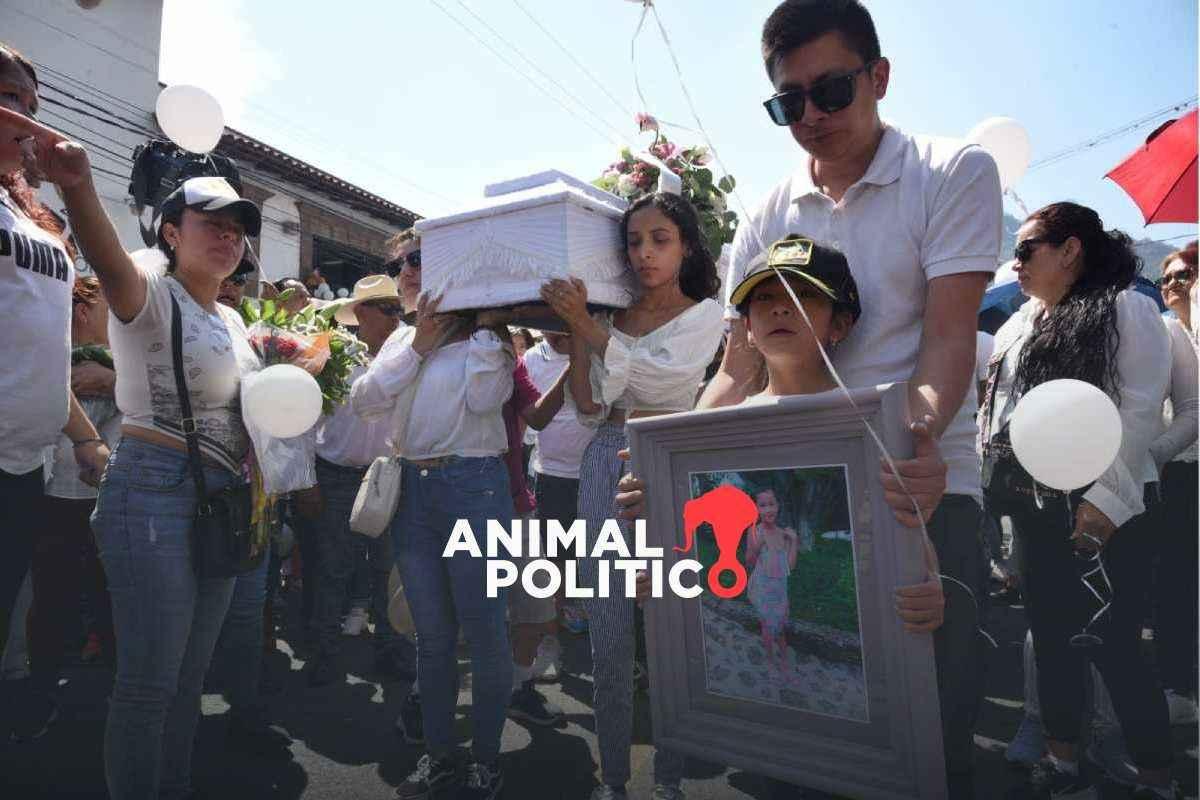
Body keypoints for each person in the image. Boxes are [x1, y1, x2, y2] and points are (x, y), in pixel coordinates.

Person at [697, 3, 1000, 789]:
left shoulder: (951, 169)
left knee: (927, 723)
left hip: (922, 485)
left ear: (879, 76)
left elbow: (945, 338)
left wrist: (917, 439)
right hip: (795, 485)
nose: (812, 116)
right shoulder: (764, 212)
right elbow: (736, 371)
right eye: (787, 103)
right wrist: (667, 463)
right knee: (795, 722)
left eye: (831, 90)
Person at [615, 237, 947, 794]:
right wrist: (655, 558)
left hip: (866, 727)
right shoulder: (706, 436)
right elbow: (684, 552)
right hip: (751, 730)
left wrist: (930, 587)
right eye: (760, 298)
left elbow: (907, 533)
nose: (776, 307)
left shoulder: (875, 427)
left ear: (839, 324)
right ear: (744, 326)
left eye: (800, 296)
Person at [6, 93, 268, 796]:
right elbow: (101, 252)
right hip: (151, 489)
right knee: (149, 684)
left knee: (187, 681)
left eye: (237, 227)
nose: (227, 237)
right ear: (171, 233)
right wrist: (79, 185)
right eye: (208, 223)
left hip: (220, 494)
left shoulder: (238, 325)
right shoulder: (149, 286)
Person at [980, 202, 1175, 798]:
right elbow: (999, 412)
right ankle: (1064, 766)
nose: (1016, 260)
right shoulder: (1016, 324)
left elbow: (1139, 409)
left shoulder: (1127, 309)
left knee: (1116, 651)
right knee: (1053, 643)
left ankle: (1157, 778)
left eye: (1028, 247)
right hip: (1032, 507)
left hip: (1105, 513)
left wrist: (1105, 503)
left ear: (1070, 251)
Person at [540, 191, 725, 800]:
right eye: (634, 241)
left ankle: (669, 778)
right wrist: (576, 327)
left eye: (660, 239)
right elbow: (592, 404)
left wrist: (589, 330)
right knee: (608, 628)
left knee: (670, 625)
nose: (644, 253)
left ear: (687, 245)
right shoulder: (612, 314)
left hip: (670, 461)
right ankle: (614, 778)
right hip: (602, 461)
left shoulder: (704, 315)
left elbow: (661, 381)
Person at [352, 284, 515, 799]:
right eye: (404, 268)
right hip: (412, 491)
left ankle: (486, 760)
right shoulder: (404, 338)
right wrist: (419, 342)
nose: (408, 278)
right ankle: (441, 754)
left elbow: (486, 398)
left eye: (418, 264)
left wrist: (488, 327)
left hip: (474, 486)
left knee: (485, 633)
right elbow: (365, 401)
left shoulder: (489, 340)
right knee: (433, 638)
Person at [0, 46, 110, 739]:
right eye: (9, 98)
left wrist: (86, 438)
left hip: (23, 467)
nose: (27, 119)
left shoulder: (31, 216)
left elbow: (40, 353)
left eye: (32, 106)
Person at [17, 274, 120, 741]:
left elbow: (153, 399)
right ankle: (40, 693)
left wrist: (115, 381)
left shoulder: (127, 355)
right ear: (82, 310)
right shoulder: (47, 350)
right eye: (105, 305)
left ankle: (119, 702)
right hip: (54, 492)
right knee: (52, 597)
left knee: (111, 598)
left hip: (114, 495)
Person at [304, 274, 415, 687]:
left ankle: (391, 650)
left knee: (389, 571)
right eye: (378, 309)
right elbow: (306, 417)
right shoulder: (333, 356)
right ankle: (323, 654)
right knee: (333, 569)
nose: (390, 317)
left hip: (387, 476)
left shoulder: (409, 358)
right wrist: (307, 480)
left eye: (391, 309)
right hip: (336, 475)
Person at [1151, 243, 1199, 726]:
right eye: (1166, 277)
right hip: (1178, 469)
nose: (1171, 285)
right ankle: (1177, 685)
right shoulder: (1162, 337)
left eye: (1183, 275)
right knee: (1176, 580)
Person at [523, 330, 594, 645]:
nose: (556, 332)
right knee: (556, 554)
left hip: (598, 471)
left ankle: (599, 611)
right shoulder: (531, 358)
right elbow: (531, 415)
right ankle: (558, 619)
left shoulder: (598, 349)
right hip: (550, 472)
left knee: (596, 549)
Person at [743, 488, 798, 676]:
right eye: (763, 505)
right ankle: (770, 659)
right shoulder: (754, 532)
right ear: (756, 509)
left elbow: (789, 567)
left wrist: (795, 542)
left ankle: (783, 657)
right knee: (767, 626)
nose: (768, 510)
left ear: (778, 506)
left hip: (779, 589)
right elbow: (748, 561)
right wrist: (758, 545)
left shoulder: (783, 534)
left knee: (780, 628)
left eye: (771, 504)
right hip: (763, 588)